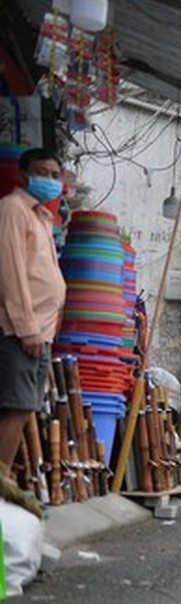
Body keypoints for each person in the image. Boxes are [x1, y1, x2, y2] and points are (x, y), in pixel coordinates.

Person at [0, 148, 67, 471]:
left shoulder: (41, 216)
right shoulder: (13, 209)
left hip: (40, 331)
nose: (50, 181)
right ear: (24, 175)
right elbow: (11, 274)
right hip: (18, 331)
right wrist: (27, 328)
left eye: (55, 176)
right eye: (43, 173)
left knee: (23, 408)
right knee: (16, 407)